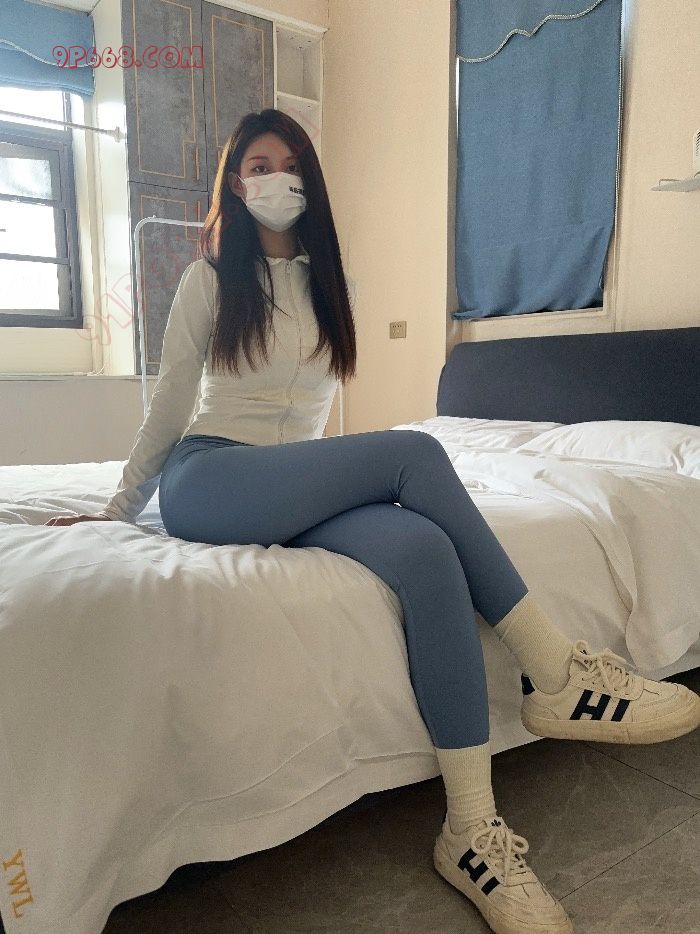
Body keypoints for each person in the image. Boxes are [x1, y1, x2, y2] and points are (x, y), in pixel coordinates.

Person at [45, 109, 700, 934]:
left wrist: (327, 483)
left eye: (288, 163)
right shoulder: (209, 279)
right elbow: (170, 405)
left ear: (309, 180)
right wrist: (116, 510)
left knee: (425, 551)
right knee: (412, 453)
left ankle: (471, 832)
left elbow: (314, 416)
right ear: (235, 183)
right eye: (257, 165)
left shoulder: (330, 286)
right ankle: (557, 671)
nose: (274, 178)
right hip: (210, 478)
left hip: (288, 488)